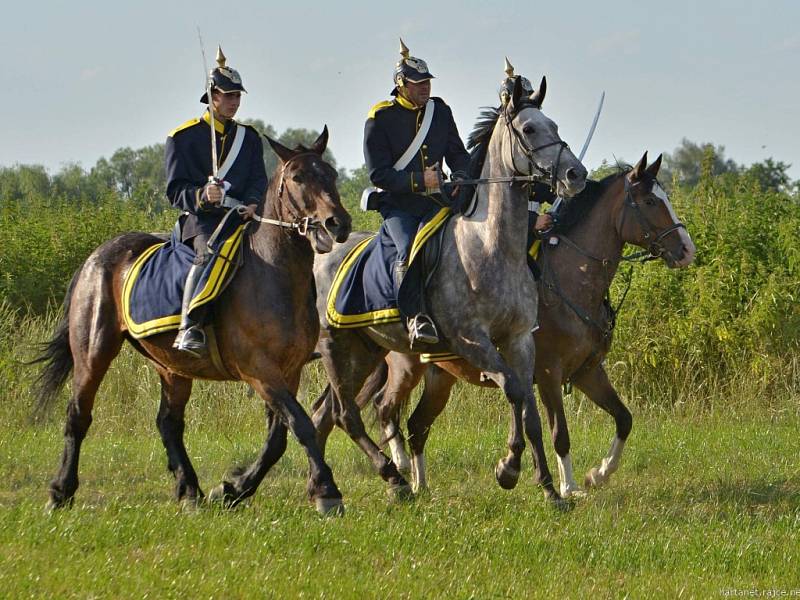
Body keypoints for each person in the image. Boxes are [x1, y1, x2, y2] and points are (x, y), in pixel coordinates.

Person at [363, 39, 470, 346]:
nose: (425, 88)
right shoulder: (380, 117)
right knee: (410, 248)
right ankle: (414, 316)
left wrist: (461, 176)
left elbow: (458, 155)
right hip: (399, 204)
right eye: (418, 83)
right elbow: (378, 174)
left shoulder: (440, 111)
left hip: (439, 200)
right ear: (401, 84)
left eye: (427, 82)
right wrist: (420, 181)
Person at [165, 46, 268, 357]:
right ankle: (190, 324)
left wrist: (252, 202)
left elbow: (258, 181)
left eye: (238, 96)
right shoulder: (182, 137)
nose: (234, 102)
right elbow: (174, 191)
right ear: (212, 96)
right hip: (202, 221)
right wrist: (201, 196)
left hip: (241, 218)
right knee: (210, 253)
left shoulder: (249, 138)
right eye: (228, 95)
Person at [498, 58, 558, 276]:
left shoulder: (535, 143)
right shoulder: (492, 148)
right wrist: (533, 221)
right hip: (505, 239)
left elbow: (544, 188)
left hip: (536, 232)